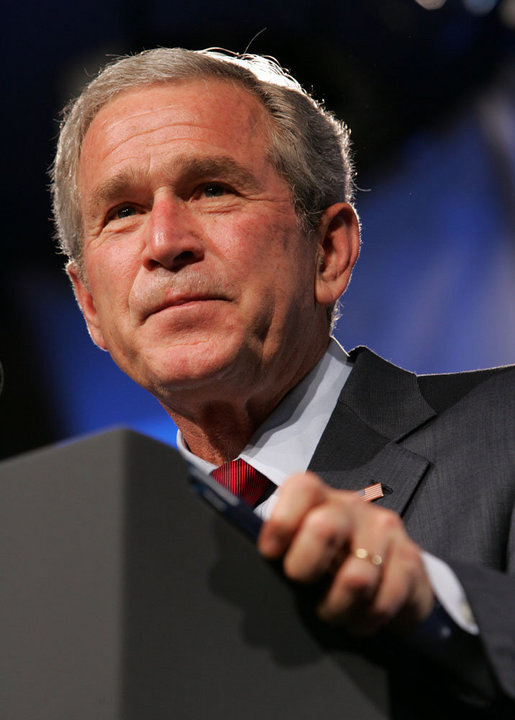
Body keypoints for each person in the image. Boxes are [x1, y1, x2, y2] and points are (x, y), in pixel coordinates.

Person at [51, 47, 514, 715]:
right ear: (90, 304)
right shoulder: (74, 576)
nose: (163, 241)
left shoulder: (503, 433)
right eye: (121, 210)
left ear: (328, 251)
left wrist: (434, 603)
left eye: (211, 188)